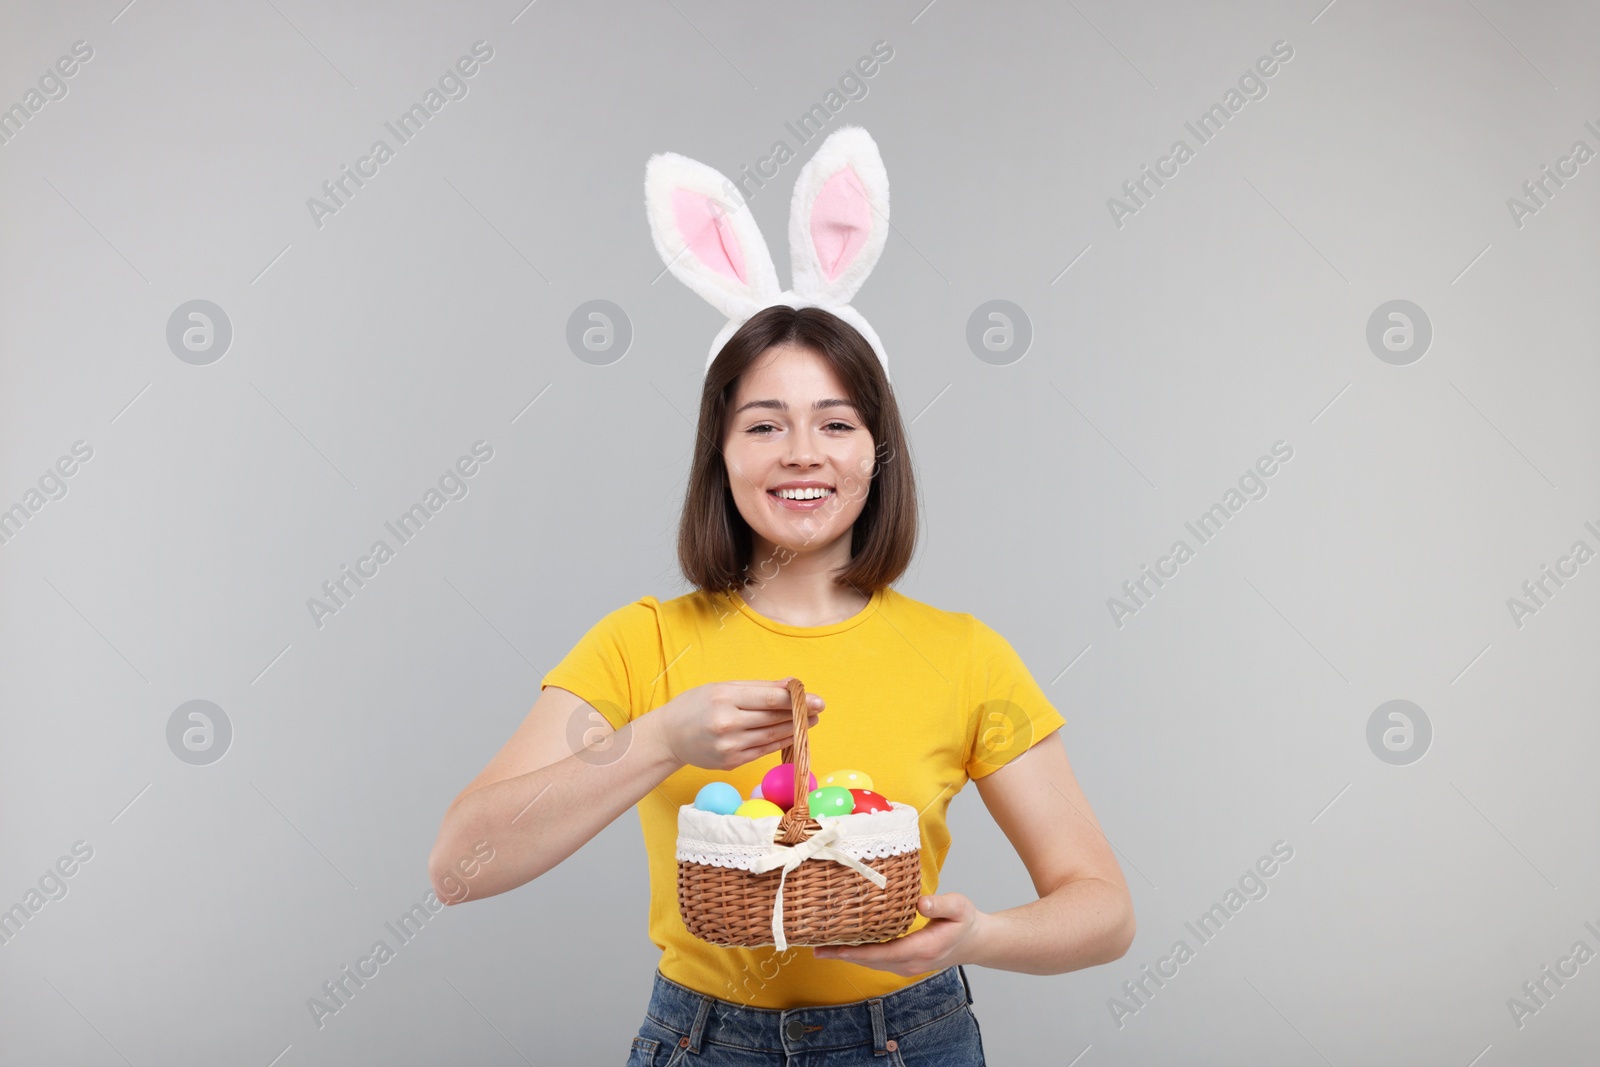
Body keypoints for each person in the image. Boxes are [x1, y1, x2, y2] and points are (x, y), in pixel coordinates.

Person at [429, 305, 1135, 1064]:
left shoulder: (965, 654)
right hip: (704, 1042)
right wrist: (660, 739)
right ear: (721, 454)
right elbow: (460, 865)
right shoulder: (643, 643)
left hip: (911, 1038)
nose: (803, 454)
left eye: (836, 424)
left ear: (877, 452)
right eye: (765, 426)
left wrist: (978, 937)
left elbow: (1104, 909)